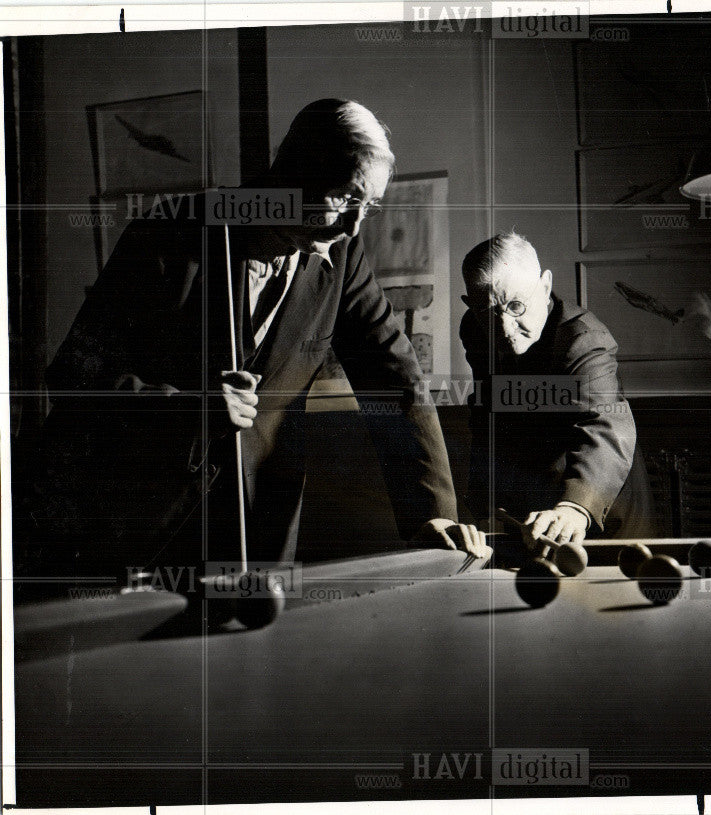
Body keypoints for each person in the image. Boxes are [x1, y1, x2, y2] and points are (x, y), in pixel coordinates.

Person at [19, 99, 488, 598]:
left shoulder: (343, 260)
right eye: (344, 197)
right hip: (128, 529)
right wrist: (185, 410)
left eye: (367, 206)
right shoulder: (170, 232)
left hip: (254, 536)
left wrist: (432, 515)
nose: (353, 227)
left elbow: (397, 383)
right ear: (292, 169)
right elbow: (75, 373)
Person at [459, 231, 655, 546]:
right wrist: (483, 499)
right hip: (531, 508)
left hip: (602, 505)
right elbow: (488, 410)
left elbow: (604, 423)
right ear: (472, 306)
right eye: (489, 311)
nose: (506, 328)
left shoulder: (583, 340)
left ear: (545, 286)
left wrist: (575, 507)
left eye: (516, 306)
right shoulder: (474, 328)